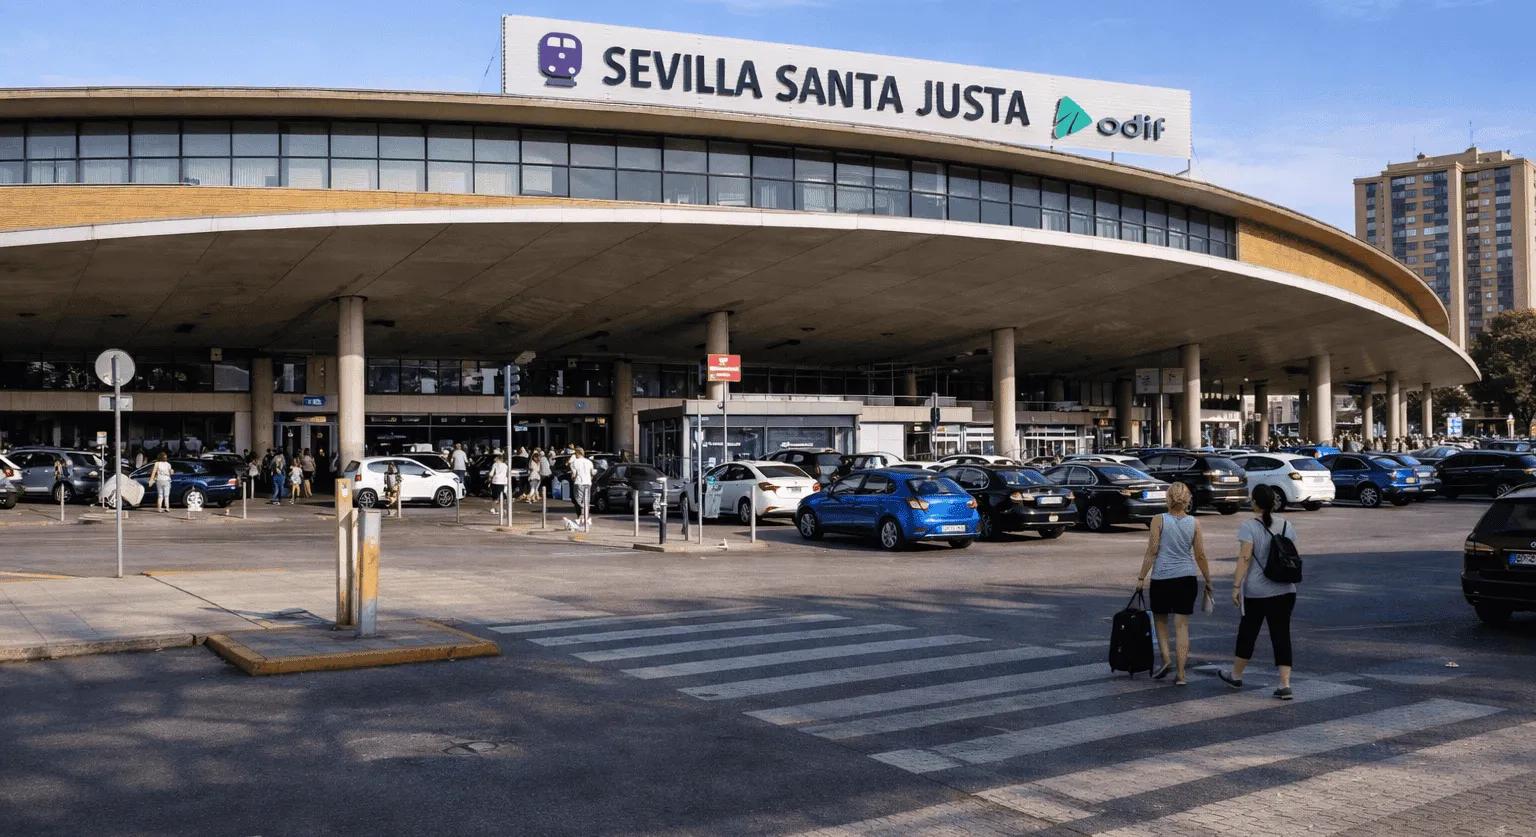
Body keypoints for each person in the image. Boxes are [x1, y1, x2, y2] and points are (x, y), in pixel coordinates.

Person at [1221, 484, 1298, 700]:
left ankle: (1235, 675)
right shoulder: (1286, 525)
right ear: (1274, 502)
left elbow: (1244, 558)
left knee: (1248, 633)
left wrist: (1236, 587)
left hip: (1256, 590)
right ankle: (1284, 684)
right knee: (1281, 635)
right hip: (1285, 589)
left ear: (1254, 502)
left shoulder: (1249, 526)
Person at [1134, 482, 1212, 686]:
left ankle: (1167, 660)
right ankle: (1182, 675)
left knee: (1161, 622)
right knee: (1182, 626)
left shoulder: (1158, 520)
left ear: (1168, 498)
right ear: (1187, 500)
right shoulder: (1195, 523)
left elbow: (1152, 551)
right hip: (1187, 578)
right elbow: (1200, 554)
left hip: (1162, 578)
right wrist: (1208, 579)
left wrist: (1141, 577)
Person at [569, 447, 595, 520]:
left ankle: (581, 514)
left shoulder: (574, 462)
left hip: (579, 482)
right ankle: (585, 515)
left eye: (575, 453)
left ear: (577, 453)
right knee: (586, 499)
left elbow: (574, 474)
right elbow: (592, 473)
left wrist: (572, 477)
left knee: (578, 499)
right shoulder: (589, 462)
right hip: (588, 482)